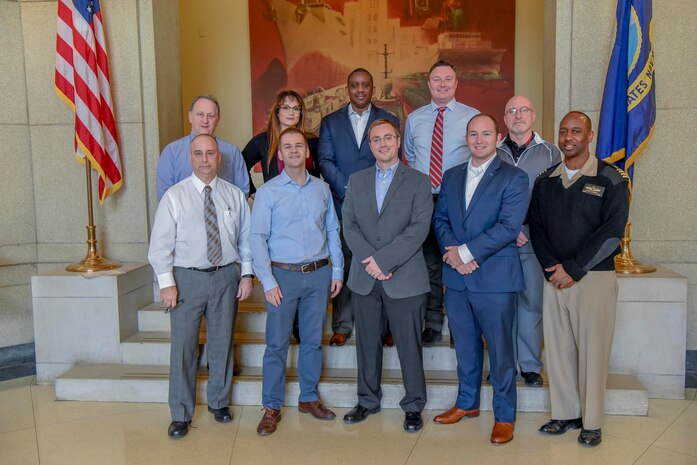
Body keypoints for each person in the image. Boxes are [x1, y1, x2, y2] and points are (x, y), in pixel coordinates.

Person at [529, 111, 629, 447]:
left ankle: (592, 421)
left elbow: (611, 234)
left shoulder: (610, 178)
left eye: (576, 131)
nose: (568, 137)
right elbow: (537, 228)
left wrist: (573, 269)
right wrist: (551, 267)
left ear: (590, 136)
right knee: (557, 350)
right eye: (563, 131)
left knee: (592, 351)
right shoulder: (546, 179)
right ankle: (566, 413)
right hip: (553, 277)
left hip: (592, 279)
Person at [148, 134, 254, 439]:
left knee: (222, 341)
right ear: (190, 158)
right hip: (186, 278)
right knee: (184, 346)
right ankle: (180, 413)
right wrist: (167, 284)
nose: (205, 159)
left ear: (219, 158)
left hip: (226, 276)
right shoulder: (174, 197)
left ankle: (219, 402)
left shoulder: (234, 195)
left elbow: (246, 239)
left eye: (210, 153)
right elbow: (159, 247)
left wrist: (246, 275)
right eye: (198, 154)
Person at [432, 114, 528, 445]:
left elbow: (508, 227)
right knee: (466, 347)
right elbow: (440, 219)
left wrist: (467, 254)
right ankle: (467, 403)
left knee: (501, 351)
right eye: (473, 134)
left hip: (495, 279)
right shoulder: (452, 175)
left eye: (486, 134)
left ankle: (504, 415)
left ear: (497, 137)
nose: (479, 139)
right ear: (466, 138)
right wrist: (453, 255)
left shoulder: (514, 178)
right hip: (457, 279)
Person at [249, 127, 344, 436]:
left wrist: (338, 271)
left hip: (318, 274)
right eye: (287, 146)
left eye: (298, 146)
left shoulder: (322, 189)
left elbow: (332, 231)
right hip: (282, 277)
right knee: (276, 344)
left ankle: (309, 397)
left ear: (307, 153)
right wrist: (267, 281)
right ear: (279, 155)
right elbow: (257, 238)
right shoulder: (268, 192)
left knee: (313, 341)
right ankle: (272, 406)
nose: (293, 150)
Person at [341, 119, 432, 432]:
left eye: (388, 138)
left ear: (398, 141)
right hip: (365, 278)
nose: (382, 144)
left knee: (409, 345)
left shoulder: (419, 181)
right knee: (366, 343)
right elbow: (349, 224)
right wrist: (372, 262)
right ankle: (367, 400)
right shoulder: (356, 180)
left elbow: (419, 228)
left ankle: (413, 405)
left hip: (405, 278)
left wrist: (385, 261)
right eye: (376, 139)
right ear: (370, 145)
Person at [319, 68, 400, 347]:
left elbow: (391, 159)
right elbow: (325, 161)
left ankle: (386, 326)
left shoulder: (388, 120)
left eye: (365, 84)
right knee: (346, 263)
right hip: (344, 205)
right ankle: (342, 325)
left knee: (383, 262)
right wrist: (353, 192)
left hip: (383, 207)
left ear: (373, 88)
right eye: (355, 85)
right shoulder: (330, 122)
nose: (360, 89)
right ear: (347, 89)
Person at [404, 60, 479, 347]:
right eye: (437, 79)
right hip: (424, 200)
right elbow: (410, 158)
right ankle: (433, 323)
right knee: (431, 264)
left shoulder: (472, 117)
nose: (442, 84)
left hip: (459, 199)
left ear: (456, 83)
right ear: (429, 84)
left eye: (448, 79)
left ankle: (463, 325)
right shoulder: (415, 119)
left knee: (462, 259)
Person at [496, 95, 562, 387]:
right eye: (511, 111)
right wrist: (510, 229)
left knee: (532, 303)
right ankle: (504, 365)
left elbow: (556, 200)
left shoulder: (550, 153)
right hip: (499, 244)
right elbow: (484, 199)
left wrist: (528, 229)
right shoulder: (492, 152)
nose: (517, 115)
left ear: (533, 115)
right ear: (505, 118)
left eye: (523, 110)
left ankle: (531, 366)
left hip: (535, 242)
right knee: (502, 305)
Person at [157, 95, 249, 200]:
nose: (205, 120)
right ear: (190, 117)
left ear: (217, 120)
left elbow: (242, 192)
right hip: (184, 215)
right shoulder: (171, 152)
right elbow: (164, 196)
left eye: (210, 116)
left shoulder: (233, 152)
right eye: (200, 114)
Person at [242, 90, 320, 196]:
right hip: (276, 205)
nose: (291, 112)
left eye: (296, 109)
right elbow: (240, 165)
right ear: (277, 112)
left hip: (309, 201)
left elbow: (324, 168)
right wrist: (253, 192)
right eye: (286, 107)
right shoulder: (262, 141)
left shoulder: (312, 141)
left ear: (300, 114)